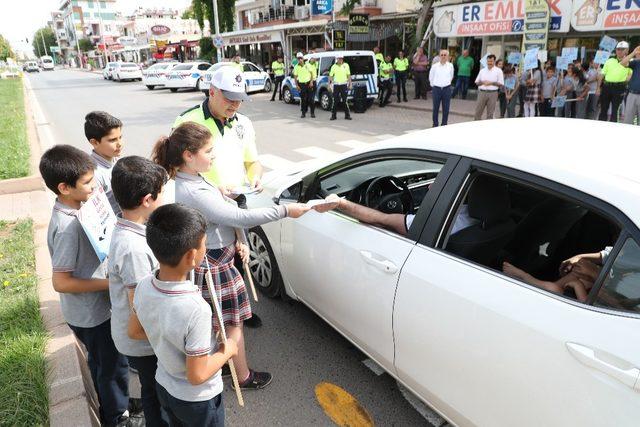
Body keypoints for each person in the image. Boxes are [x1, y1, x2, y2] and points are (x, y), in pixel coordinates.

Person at [152, 122, 310, 391]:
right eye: (209, 151)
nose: (213, 156)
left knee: (221, 323)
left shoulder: (195, 178)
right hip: (215, 266)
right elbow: (237, 215)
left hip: (218, 257)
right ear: (188, 155)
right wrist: (285, 211)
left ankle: (226, 364)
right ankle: (244, 376)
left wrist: (240, 239)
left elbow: (227, 210)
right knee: (233, 324)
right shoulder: (193, 190)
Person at [40, 145, 130, 427]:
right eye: (88, 183)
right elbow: (61, 281)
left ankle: (117, 404)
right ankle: (117, 417)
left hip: (92, 309)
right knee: (112, 366)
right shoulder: (68, 227)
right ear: (64, 187)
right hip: (92, 314)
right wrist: (109, 283)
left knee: (105, 364)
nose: (94, 187)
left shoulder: (77, 208)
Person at [172, 66, 264, 328]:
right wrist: (212, 189)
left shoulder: (244, 123)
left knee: (239, 255)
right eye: (229, 98)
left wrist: (255, 175)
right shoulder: (187, 122)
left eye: (239, 98)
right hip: (203, 203)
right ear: (212, 91)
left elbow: (253, 161)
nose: (234, 104)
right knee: (208, 263)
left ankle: (238, 308)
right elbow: (174, 167)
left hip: (236, 199)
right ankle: (210, 318)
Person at [133, 204, 238, 426]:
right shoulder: (196, 309)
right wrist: (227, 350)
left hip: (164, 385)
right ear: (191, 256)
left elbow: (134, 330)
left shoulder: (143, 285)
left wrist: (170, 337)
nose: (205, 249)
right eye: (204, 245)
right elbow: (197, 375)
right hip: (198, 400)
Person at [109, 156, 168, 427]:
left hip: (138, 339)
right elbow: (140, 309)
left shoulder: (129, 228)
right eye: (161, 193)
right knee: (158, 393)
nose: (163, 198)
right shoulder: (134, 249)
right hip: (144, 343)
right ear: (147, 199)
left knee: (152, 388)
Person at [315, 194, 477, 237]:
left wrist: (340, 203)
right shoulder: (481, 218)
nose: (430, 186)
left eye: (439, 183)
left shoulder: (441, 221)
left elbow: (380, 219)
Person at [503, 247, 613, 302]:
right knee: (579, 273)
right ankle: (550, 292)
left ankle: (523, 276)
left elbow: (585, 301)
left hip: (591, 300)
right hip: (599, 289)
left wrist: (577, 285)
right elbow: (607, 255)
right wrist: (580, 258)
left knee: (554, 288)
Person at [85, 111, 123, 215]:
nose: (119, 144)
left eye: (120, 137)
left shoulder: (116, 159)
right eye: (112, 140)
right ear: (94, 142)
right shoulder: (94, 174)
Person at [598, 41, 631, 122]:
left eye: (622, 49)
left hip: (619, 88)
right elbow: (602, 75)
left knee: (615, 110)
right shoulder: (609, 60)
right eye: (618, 49)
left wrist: (623, 82)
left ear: (627, 50)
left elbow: (630, 75)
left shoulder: (630, 61)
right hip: (606, 87)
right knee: (603, 109)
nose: (619, 51)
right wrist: (598, 88)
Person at [474, 54, 504, 120]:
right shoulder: (482, 70)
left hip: (493, 94)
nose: (489, 63)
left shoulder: (499, 71)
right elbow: (476, 82)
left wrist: (491, 83)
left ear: (494, 61)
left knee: (490, 114)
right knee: (478, 112)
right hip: (482, 93)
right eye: (488, 61)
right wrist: (482, 82)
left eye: (491, 61)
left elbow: (501, 84)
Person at [429, 49, 454, 127]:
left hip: (446, 89)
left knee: (446, 109)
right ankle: (435, 124)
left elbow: (451, 76)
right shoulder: (434, 66)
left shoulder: (450, 66)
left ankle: (444, 124)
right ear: (439, 56)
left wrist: (446, 84)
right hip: (436, 89)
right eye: (442, 55)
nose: (443, 56)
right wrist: (434, 86)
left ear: (448, 56)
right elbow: (431, 77)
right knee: (435, 108)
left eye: (445, 55)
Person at [621, 45, 640, 125]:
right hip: (632, 94)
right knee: (628, 120)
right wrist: (633, 53)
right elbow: (622, 63)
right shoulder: (637, 62)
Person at [329, 55, 352, 120]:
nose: (340, 60)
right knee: (335, 101)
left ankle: (347, 115)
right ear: (337, 59)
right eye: (339, 59)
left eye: (341, 59)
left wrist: (350, 84)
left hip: (344, 85)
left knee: (345, 101)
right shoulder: (333, 66)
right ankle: (333, 116)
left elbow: (349, 75)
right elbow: (330, 76)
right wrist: (329, 84)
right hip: (336, 85)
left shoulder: (346, 65)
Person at [293, 54, 317, 118]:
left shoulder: (307, 65)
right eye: (298, 58)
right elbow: (295, 77)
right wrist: (297, 85)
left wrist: (311, 82)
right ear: (297, 59)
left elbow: (311, 74)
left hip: (309, 83)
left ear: (303, 58)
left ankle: (312, 113)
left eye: (301, 58)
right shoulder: (296, 67)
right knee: (303, 99)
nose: (300, 60)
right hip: (301, 84)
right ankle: (303, 113)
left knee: (311, 99)